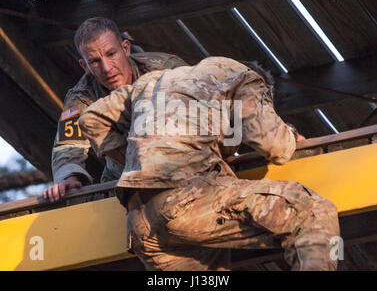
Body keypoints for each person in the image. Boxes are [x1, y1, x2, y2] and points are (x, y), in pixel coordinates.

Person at [79, 56, 340, 271]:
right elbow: (275, 146)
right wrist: (290, 134)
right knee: (311, 211)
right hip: (188, 198)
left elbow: (90, 119)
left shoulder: (151, 81)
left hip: (142, 225)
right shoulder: (242, 75)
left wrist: (135, 161)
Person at [43, 17, 187, 202]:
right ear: (85, 66)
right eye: (95, 61)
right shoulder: (81, 97)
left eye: (111, 54)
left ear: (125, 48)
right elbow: (68, 147)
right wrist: (69, 178)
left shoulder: (166, 69)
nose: (107, 68)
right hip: (122, 181)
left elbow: (211, 109)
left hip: (184, 163)